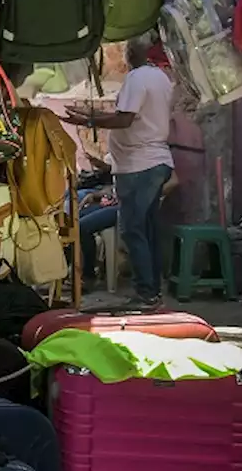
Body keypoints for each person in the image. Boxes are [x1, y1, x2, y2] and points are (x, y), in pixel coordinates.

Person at [62, 34, 174, 308]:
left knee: (133, 230)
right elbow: (129, 116)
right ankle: (152, 291)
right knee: (145, 230)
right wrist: (89, 117)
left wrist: (88, 119)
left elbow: (125, 119)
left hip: (139, 165)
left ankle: (146, 294)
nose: (124, 52)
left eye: (126, 48)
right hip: (154, 162)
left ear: (132, 52)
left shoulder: (137, 79)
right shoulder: (159, 78)